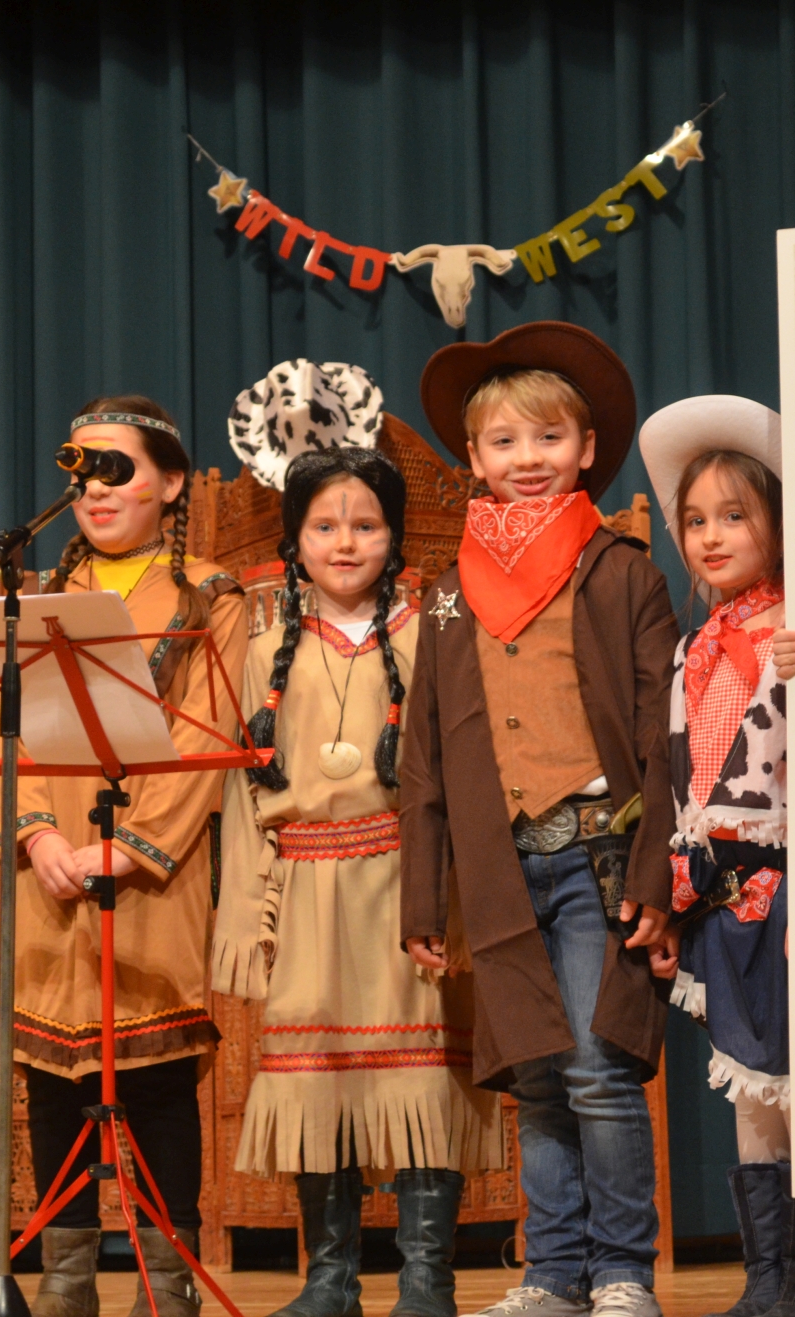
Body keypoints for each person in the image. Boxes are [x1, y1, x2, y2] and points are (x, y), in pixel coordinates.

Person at [399, 322, 679, 1317]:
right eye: (504, 442)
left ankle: (622, 1270)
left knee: (598, 1069)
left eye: (548, 437)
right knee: (539, 1075)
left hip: (600, 855)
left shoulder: (621, 571)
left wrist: (655, 873)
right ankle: (553, 1272)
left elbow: (663, 734)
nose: (527, 458)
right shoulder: (445, 599)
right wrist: (423, 899)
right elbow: (424, 759)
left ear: (586, 447)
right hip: (501, 866)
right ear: (473, 459)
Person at [211, 440, 502, 1317]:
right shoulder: (262, 647)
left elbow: (465, 778)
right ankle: (330, 1278)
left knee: (424, 1078)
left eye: (366, 525)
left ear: (395, 537)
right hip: (307, 887)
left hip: (407, 887)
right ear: (295, 540)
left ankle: (426, 1279)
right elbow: (242, 795)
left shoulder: (431, 633)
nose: (345, 542)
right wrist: (248, 913)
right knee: (315, 1080)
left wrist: (455, 901)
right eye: (325, 526)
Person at [0, 395, 247, 1317]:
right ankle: (65, 1279)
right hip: (49, 866)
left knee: (156, 1079)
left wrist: (124, 849)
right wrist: (38, 834)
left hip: (147, 872)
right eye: (79, 468)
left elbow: (207, 734)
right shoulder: (33, 594)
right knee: (54, 1077)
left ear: (171, 483)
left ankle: (167, 1284)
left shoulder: (212, 596)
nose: (93, 488)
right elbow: (4, 724)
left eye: (116, 468)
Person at [637, 396, 795, 1317]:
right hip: (722, 900)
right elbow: (684, 782)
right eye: (696, 520)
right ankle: (767, 1282)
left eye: (735, 514)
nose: (712, 536)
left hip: (792, 895)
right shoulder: (695, 646)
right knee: (751, 1091)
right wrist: (674, 900)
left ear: (777, 519)